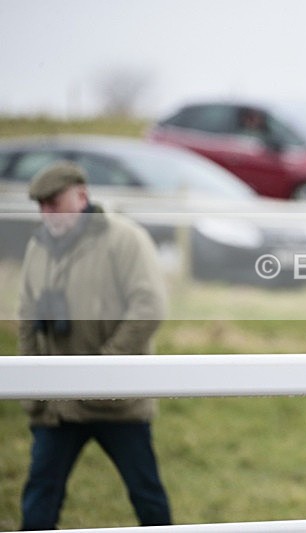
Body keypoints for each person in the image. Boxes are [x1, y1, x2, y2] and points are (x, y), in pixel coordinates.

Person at [17, 161, 172, 530]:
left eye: (54, 203)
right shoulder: (38, 246)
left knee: (146, 495)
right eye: (41, 205)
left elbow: (149, 308)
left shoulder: (125, 239)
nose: (46, 213)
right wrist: (29, 383)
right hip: (55, 404)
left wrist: (103, 370)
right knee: (39, 497)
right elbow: (26, 317)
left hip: (117, 402)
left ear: (82, 196)